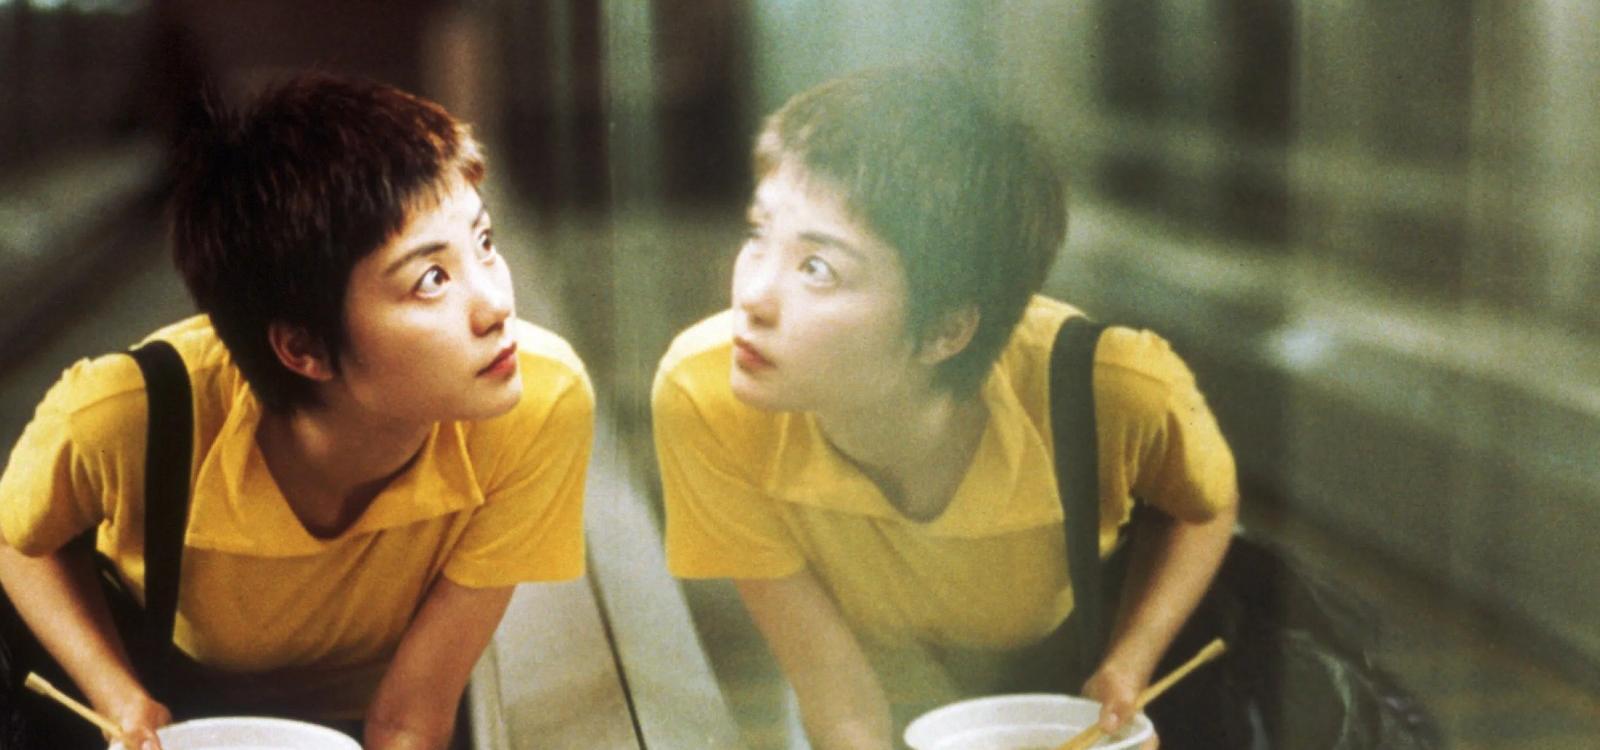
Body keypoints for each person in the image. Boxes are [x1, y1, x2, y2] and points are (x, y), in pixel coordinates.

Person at [0, 74, 593, 750]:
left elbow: (409, 720)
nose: (497, 305)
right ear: (305, 348)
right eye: (431, 279)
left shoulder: (535, 402)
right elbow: (17, 540)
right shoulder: (127, 414)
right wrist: (122, 700)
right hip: (174, 704)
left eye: (484, 242)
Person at [652, 66, 1238, 748]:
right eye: (760, 233)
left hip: (1056, 672)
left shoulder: (1113, 389)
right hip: (889, 669)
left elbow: (1205, 506)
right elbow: (838, 698)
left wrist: (1128, 663)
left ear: (945, 332)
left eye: (818, 268)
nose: (751, 296)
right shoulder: (706, 395)